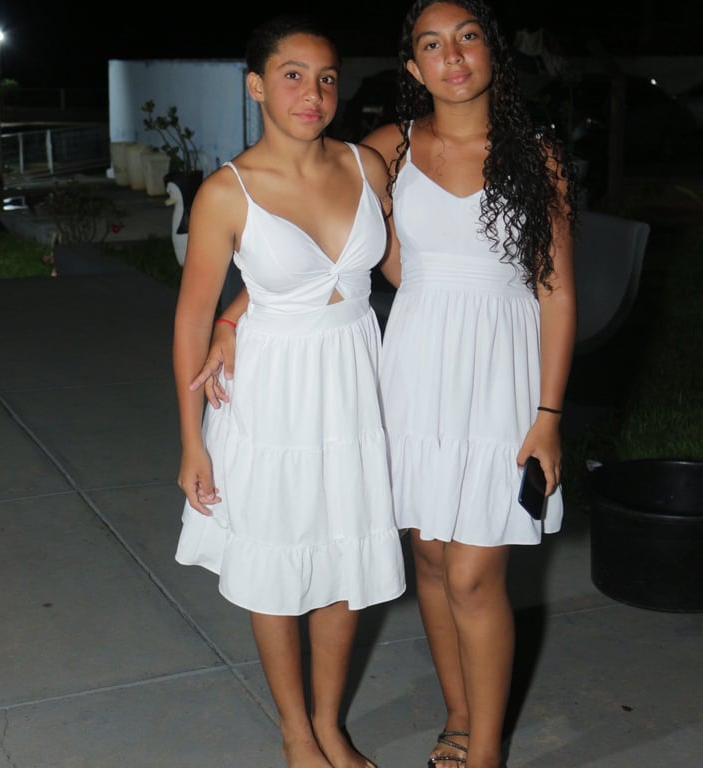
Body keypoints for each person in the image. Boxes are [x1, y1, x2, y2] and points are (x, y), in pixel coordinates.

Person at [195, 2, 579, 766]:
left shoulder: (538, 159)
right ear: (412, 66)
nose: (453, 56)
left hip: (502, 375)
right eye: (432, 44)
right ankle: (460, 718)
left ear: (492, 53)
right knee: (430, 560)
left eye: (468, 38)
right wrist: (233, 318)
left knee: (474, 573)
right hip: (409, 371)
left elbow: (558, 292)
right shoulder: (387, 150)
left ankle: (485, 754)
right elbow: (321, 252)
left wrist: (548, 413)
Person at [172, 14, 406, 768]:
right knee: (277, 563)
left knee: (343, 559)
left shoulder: (367, 166)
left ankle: (330, 724)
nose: (313, 93)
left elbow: (364, 272)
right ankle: (296, 733)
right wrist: (190, 442)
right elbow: (190, 320)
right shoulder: (226, 191)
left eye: (327, 77)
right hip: (274, 394)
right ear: (256, 86)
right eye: (293, 75)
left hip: (355, 384)